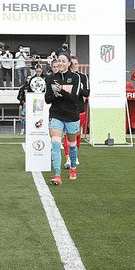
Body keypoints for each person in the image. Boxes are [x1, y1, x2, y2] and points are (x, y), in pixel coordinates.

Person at [46, 53, 82, 184]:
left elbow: (74, 99)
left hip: (71, 115)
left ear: (68, 63)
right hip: (56, 115)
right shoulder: (50, 78)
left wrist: (61, 91)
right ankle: (57, 175)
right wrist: (55, 94)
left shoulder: (75, 77)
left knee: (72, 144)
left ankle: (73, 168)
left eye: (63, 61)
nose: (60, 63)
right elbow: (47, 99)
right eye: (58, 61)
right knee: (55, 144)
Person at [64, 55, 90, 166]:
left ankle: (74, 155)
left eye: (76, 63)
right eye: (73, 63)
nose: (75, 66)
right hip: (65, 108)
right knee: (67, 134)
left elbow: (87, 92)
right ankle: (67, 158)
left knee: (77, 134)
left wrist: (77, 88)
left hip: (79, 109)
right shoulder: (64, 76)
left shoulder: (83, 77)